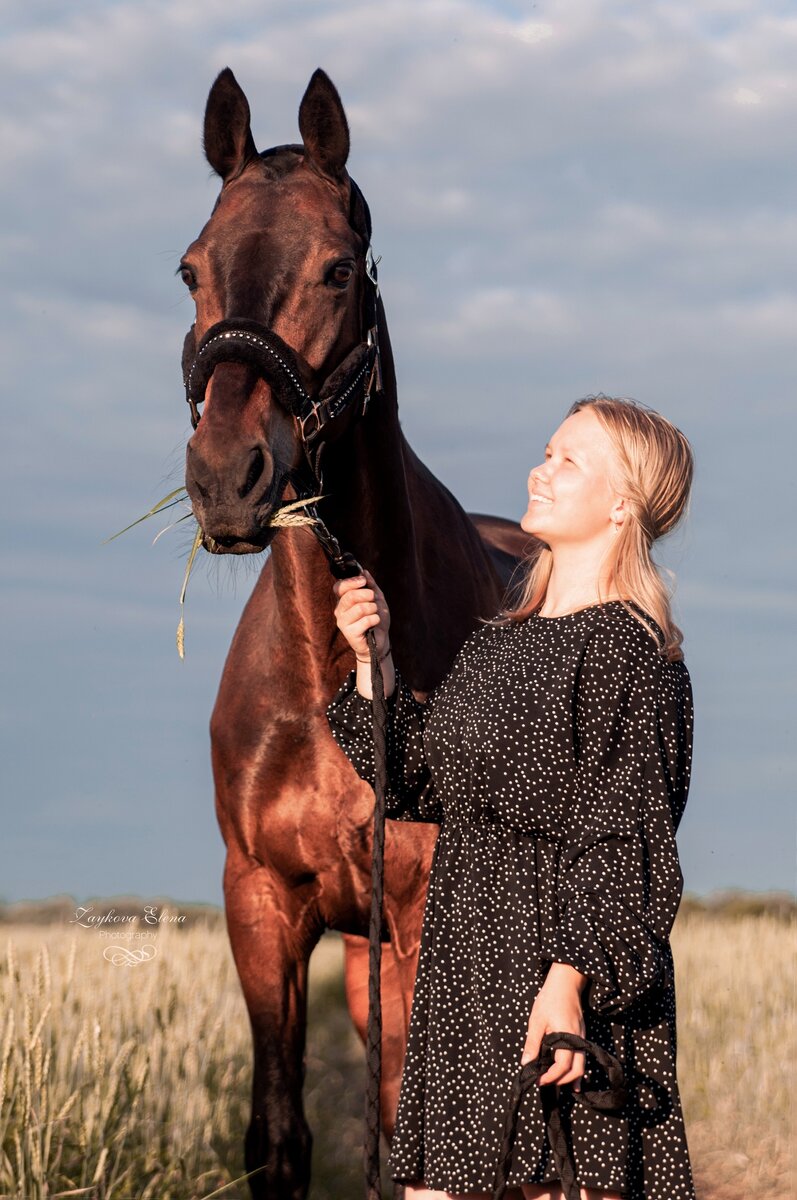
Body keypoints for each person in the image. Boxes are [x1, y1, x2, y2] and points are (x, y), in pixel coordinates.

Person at [326, 395, 696, 1200]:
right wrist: (374, 664)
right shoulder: (498, 641)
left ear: (624, 502)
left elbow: (626, 840)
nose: (540, 469)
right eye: (545, 450)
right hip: (463, 966)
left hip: (558, 970)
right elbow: (419, 784)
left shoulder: (631, 651)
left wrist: (569, 981)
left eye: (569, 460)